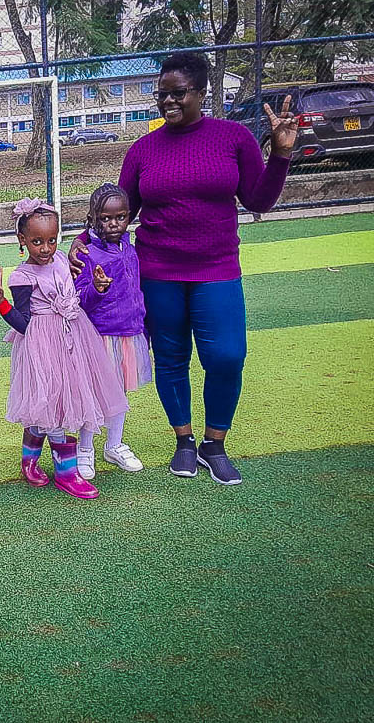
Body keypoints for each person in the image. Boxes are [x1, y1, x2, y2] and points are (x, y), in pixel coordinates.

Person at [69, 52, 298, 485]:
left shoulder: (232, 137)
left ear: (201, 92)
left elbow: (259, 200)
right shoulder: (143, 149)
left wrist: (282, 155)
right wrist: (80, 245)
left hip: (217, 269)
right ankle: (185, 442)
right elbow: (117, 213)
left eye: (178, 94)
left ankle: (215, 443)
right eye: (161, 95)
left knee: (227, 357)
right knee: (171, 359)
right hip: (157, 272)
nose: (168, 102)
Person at [0, 202, 128, 500]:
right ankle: (67, 472)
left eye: (51, 240)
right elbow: (23, 323)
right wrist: (1, 302)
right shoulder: (22, 277)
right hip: (41, 345)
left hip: (73, 340)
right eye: (37, 241)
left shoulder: (63, 262)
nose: (45, 248)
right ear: (22, 240)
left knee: (61, 404)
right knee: (51, 406)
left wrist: (95, 287)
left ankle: (30, 459)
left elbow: (78, 302)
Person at [72, 185, 152, 479]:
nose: (113, 224)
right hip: (99, 337)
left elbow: (136, 292)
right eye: (105, 218)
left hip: (129, 335)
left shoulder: (130, 249)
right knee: (92, 394)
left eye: (120, 217)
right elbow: (78, 298)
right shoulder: (87, 254)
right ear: (92, 218)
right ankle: (85, 448)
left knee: (119, 393)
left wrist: (142, 326)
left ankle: (114, 444)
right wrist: (96, 288)